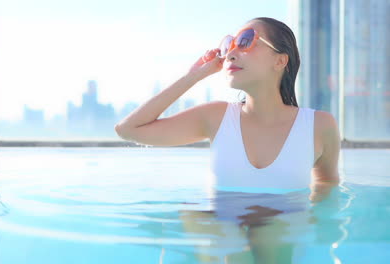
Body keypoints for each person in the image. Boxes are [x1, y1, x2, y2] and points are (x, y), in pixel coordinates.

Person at [116, 16, 342, 263]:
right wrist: (194, 75)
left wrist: (307, 220)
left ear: (280, 60)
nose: (231, 54)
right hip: (221, 235)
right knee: (209, 224)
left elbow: (327, 182)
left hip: (278, 239)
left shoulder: (319, 126)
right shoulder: (216, 117)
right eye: (229, 45)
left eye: (245, 41)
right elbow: (129, 129)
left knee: (272, 234)